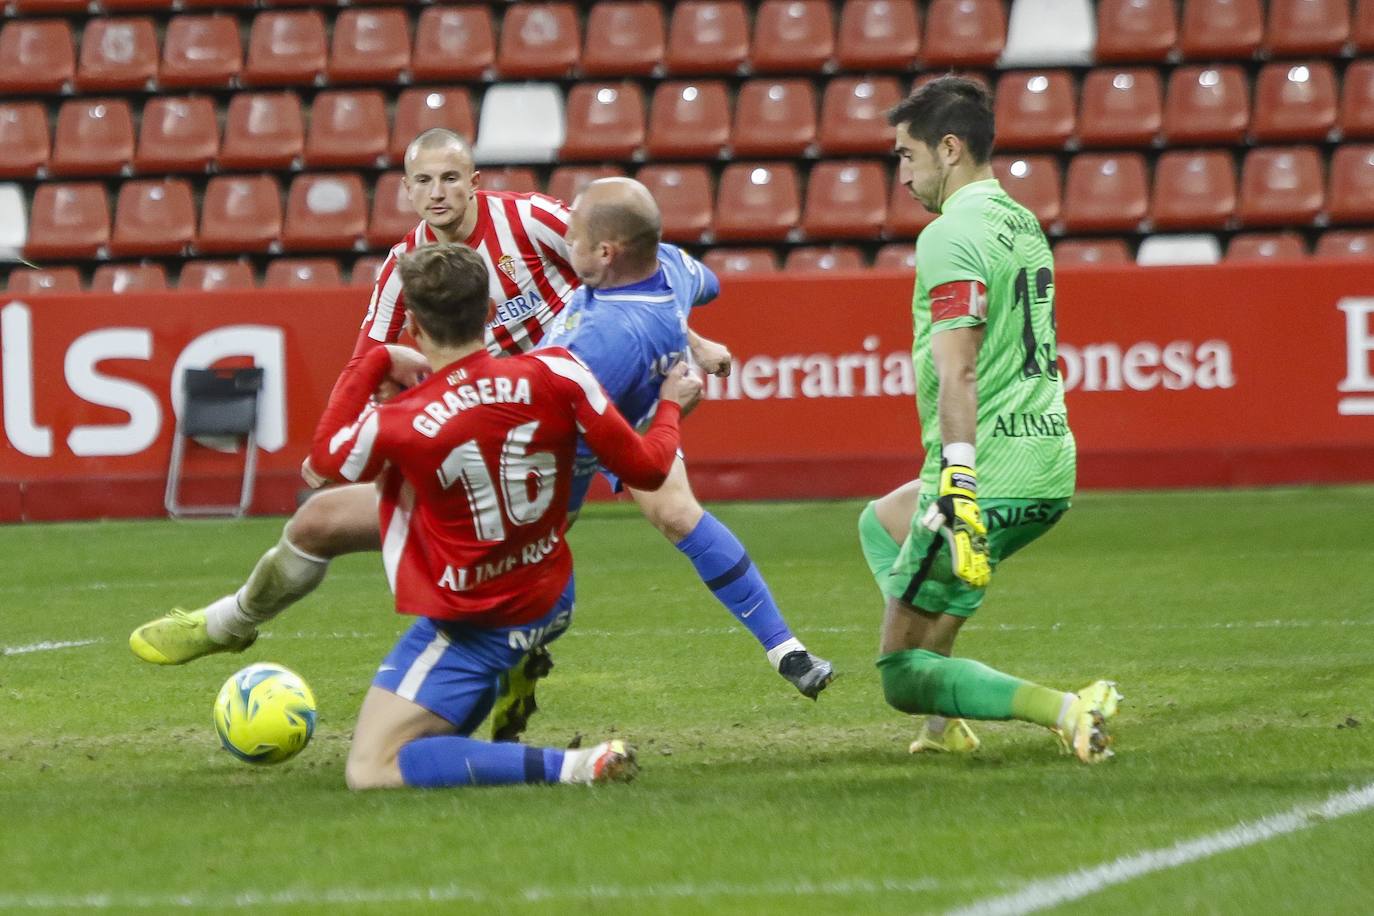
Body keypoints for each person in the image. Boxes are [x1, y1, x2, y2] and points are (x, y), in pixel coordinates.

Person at [311, 241, 698, 789]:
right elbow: (651, 468)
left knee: (372, 769)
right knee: (433, 744)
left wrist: (375, 359)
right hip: (548, 595)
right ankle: (498, 690)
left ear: (414, 329)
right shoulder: (560, 372)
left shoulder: (399, 420)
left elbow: (325, 459)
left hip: (476, 618)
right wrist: (669, 407)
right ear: (491, 313)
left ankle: (575, 766)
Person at [857, 77, 1122, 764]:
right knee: (882, 519)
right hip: (1046, 466)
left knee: (901, 675)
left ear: (949, 148)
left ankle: (1065, 709)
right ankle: (946, 726)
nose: (903, 173)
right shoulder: (1019, 219)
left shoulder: (951, 233)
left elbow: (961, 368)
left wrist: (960, 481)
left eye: (907, 155)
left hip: (988, 475)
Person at [542, 177, 834, 697]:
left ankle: (784, 647)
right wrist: (694, 341)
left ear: (607, 251)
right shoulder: (670, 263)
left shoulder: (605, 336)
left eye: (574, 237)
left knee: (537, 552)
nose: (565, 240)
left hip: (580, 432)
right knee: (671, 517)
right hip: (630, 407)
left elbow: (549, 411)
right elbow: (704, 284)